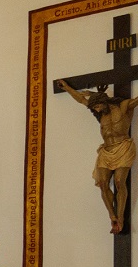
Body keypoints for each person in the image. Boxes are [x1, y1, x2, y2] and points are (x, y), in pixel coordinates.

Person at [57, 79, 138, 233]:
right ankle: (112, 216)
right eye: (95, 108)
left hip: (123, 147)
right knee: (102, 183)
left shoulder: (123, 106)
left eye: (99, 106)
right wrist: (66, 87)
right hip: (106, 151)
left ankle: (120, 217)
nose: (97, 110)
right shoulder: (99, 113)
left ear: (104, 101)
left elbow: (135, 101)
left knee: (119, 182)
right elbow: (81, 99)